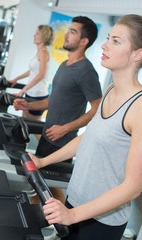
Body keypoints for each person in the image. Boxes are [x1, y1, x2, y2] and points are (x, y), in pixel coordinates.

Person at [28, 14, 142, 240]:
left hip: (100, 222)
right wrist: (43, 161)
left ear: (137, 54)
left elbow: (133, 187)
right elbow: (88, 138)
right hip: (76, 202)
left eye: (116, 41)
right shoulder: (111, 90)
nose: (104, 45)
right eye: (109, 38)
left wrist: (73, 216)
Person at [14, 16, 102, 203]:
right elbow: (52, 101)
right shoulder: (65, 65)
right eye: (68, 30)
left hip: (63, 142)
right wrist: (28, 105)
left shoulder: (86, 71)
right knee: (39, 184)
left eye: (73, 32)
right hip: (48, 135)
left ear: (84, 41)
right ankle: (42, 224)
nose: (66, 34)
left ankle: (61, 228)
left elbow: (97, 109)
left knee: (50, 188)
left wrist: (66, 128)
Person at [8, 25, 54, 127]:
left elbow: (41, 74)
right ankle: (25, 143)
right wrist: (16, 79)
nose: (34, 35)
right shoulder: (39, 52)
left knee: (32, 127)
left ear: (44, 36)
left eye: (37, 33)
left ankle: (43, 143)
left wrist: (24, 89)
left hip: (38, 95)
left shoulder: (43, 52)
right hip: (31, 92)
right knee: (23, 124)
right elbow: (32, 71)